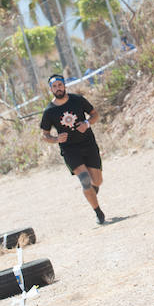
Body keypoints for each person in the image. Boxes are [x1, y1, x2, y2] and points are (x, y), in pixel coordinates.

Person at [39, 74, 107, 225]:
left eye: (60, 85)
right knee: (85, 181)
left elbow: (95, 115)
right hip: (70, 150)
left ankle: (92, 192)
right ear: (51, 89)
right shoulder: (49, 112)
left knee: (98, 180)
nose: (58, 88)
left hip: (88, 144)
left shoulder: (78, 100)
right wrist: (56, 139)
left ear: (64, 85)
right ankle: (98, 212)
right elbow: (44, 135)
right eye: (54, 86)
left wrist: (87, 124)